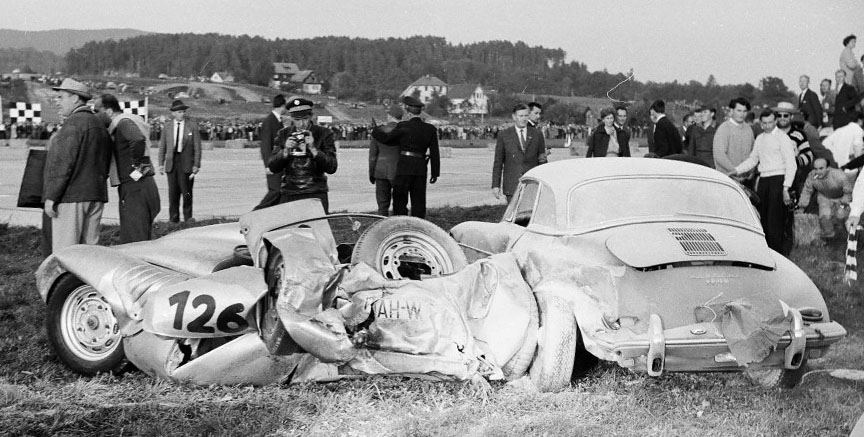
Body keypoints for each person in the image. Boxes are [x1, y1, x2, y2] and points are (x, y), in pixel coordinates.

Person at [43, 78, 111, 251]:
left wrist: (52, 197)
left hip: (72, 198)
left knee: (66, 254)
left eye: (61, 98)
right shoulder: (98, 123)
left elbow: (63, 163)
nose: (58, 103)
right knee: (89, 254)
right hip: (95, 195)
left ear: (74, 98)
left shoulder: (73, 123)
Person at [728, 110, 797, 255]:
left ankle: (778, 253)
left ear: (775, 121)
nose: (767, 126)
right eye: (764, 123)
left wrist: (786, 188)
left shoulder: (782, 138)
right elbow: (753, 159)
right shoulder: (759, 138)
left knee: (775, 219)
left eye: (770, 122)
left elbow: (791, 164)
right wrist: (735, 171)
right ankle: (765, 252)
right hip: (764, 180)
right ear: (761, 123)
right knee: (762, 217)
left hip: (778, 179)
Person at [95, 93, 160, 243]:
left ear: (109, 111)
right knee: (140, 235)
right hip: (141, 185)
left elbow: (137, 140)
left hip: (134, 188)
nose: (95, 115)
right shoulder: (130, 121)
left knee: (134, 239)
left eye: (97, 111)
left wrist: (136, 166)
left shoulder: (123, 123)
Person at [370, 96, 440, 218]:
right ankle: (418, 226)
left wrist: (375, 130)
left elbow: (386, 139)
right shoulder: (430, 129)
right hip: (420, 167)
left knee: (400, 200)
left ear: (408, 112)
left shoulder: (403, 126)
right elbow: (435, 153)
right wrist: (435, 173)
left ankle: (401, 225)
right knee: (418, 201)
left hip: (404, 166)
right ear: (420, 112)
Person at [268, 97, 338, 212]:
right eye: (297, 120)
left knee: (316, 228)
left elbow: (332, 167)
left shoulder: (324, 133)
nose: (301, 124)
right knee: (291, 229)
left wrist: (313, 149)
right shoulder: (283, 134)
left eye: (305, 119)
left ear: (311, 116)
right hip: (290, 192)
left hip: (315, 192)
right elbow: (273, 166)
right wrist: (285, 151)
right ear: (291, 118)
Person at [490, 103, 547, 203]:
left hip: (532, 185)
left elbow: (542, 160)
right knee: (513, 217)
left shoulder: (537, 134)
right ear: (514, 117)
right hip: (512, 186)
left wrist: (545, 182)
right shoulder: (504, 135)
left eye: (526, 116)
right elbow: (498, 163)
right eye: (520, 116)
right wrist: (495, 185)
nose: (524, 119)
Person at [158, 99, 202, 223]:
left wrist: (196, 164)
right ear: (173, 113)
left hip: (186, 163)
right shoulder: (167, 126)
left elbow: (197, 147)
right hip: (172, 163)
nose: (181, 114)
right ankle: (173, 219)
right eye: (178, 112)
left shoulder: (192, 126)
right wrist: (161, 163)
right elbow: (163, 146)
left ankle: (188, 218)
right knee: (173, 193)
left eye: (183, 111)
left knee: (186, 192)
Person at [798, 158, 852, 240]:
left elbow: (848, 193)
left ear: (828, 168)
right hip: (824, 197)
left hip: (841, 197)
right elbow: (807, 191)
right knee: (824, 217)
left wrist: (842, 207)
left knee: (840, 216)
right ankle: (829, 235)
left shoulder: (840, 176)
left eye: (821, 168)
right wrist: (802, 206)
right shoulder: (812, 176)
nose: (818, 172)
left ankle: (848, 233)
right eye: (815, 169)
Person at [368, 104, 403, 215]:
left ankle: (382, 227)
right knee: (399, 204)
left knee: (382, 205)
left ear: (389, 115)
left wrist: (371, 173)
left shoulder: (378, 131)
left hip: (380, 170)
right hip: (398, 170)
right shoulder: (404, 130)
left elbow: (373, 156)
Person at [253, 94, 286, 210]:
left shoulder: (277, 121)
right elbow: (265, 145)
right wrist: (268, 165)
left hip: (278, 162)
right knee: (275, 190)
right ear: (282, 106)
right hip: (273, 163)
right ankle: (256, 212)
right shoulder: (269, 121)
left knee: (280, 192)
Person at [713, 97, 755, 175]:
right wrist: (735, 171)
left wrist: (751, 171)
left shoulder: (748, 129)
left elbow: (754, 153)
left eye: (744, 111)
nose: (742, 114)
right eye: (739, 111)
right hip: (729, 178)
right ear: (732, 111)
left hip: (746, 179)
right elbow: (719, 155)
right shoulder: (724, 128)